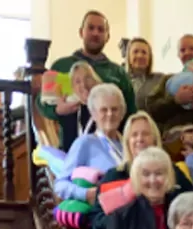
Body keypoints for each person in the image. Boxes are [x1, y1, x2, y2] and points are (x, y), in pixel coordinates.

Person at [85, 112, 193, 229]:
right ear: (127, 142)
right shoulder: (114, 176)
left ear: (155, 139)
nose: (140, 139)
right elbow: (97, 221)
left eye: (145, 134)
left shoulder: (173, 172)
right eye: (134, 135)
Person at [38, 10, 136, 152]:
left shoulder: (118, 73)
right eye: (91, 28)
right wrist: (57, 109)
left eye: (101, 30)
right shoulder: (62, 66)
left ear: (107, 36)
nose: (95, 33)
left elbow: (130, 113)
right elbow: (42, 103)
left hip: (112, 149)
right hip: (71, 148)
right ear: (81, 32)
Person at [52, 84, 127, 203]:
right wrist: (86, 194)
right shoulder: (85, 143)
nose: (110, 114)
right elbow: (60, 186)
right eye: (104, 110)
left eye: (114, 109)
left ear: (122, 113)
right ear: (93, 114)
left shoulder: (128, 143)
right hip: (101, 214)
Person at [125, 38, 166, 116]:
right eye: (135, 52)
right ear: (128, 56)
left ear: (150, 58)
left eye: (144, 52)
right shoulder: (120, 79)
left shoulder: (160, 79)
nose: (140, 56)